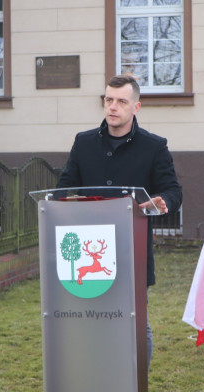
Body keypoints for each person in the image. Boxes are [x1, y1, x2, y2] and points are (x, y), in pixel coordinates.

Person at [57, 74, 183, 363]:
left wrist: (162, 202)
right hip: (88, 247)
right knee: (92, 322)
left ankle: (135, 385)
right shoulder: (84, 142)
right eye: (108, 100)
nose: (113, 107)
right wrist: (62, 203)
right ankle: (97, 377)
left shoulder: (154, 146)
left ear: (136, 107)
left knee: (135, 324)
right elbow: (64, 188)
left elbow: (173, 191)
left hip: (131, 251)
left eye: (121, 102)